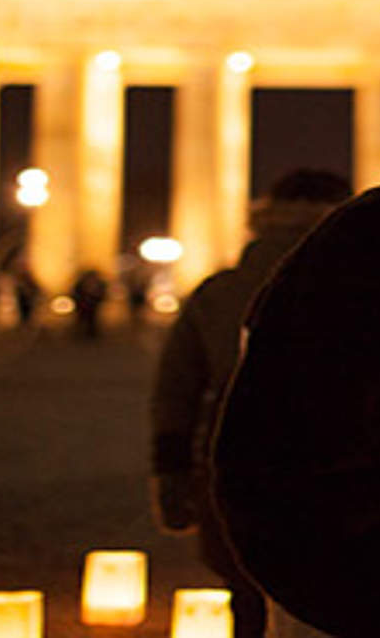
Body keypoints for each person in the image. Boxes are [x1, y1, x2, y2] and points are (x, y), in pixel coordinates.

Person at [149, 169, 351, 638]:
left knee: (246, 587)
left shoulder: (219, 292)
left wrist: (171, 471)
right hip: (341, 457)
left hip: (232, 453)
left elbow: (175, 389)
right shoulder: (375, 284)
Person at [72, 268, 108, 340]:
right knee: (82, 319)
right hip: (83, 304)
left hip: (93, 304)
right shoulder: (81, 283)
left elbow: (102, 292)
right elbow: (76, 292)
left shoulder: (99, 283)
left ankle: (91, 333)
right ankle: (80, 333)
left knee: (91, 320)